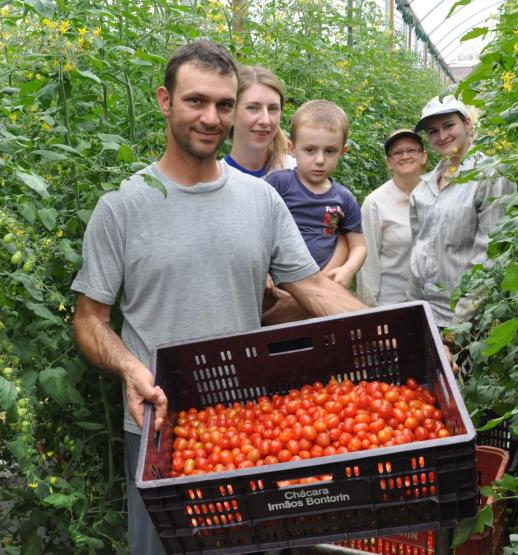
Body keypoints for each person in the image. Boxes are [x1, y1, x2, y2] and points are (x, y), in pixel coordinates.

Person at [70, 41, 367, 555]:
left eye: (224, 105)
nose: (211, 118)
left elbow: (315, 289)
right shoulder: (123, 207)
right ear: (165, 101)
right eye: (196, 101)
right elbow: (89, 318)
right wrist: (129, 368)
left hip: (245, 424)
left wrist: (410, 328)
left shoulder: (261, 200)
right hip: (159, 425)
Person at [226, 66, 351, 293]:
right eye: (253, 108)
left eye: (273, 109)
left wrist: (316, 288)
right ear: (230, 112)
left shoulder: (300, 167)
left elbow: (336, 233)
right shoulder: (219, 179)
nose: (265, 120)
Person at [408, 95, 516, 328]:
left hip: (465, 321)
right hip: (424, 312)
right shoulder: (424, 187)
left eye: (449, 125)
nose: (441, 136)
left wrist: (460, 324)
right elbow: (419, 248)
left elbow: (490, 255)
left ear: (467, 123)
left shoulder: (489, 175)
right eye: (433, 131)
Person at [262, 100, 367, 324]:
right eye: (310, 150)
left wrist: (348, 270)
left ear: (342, 152)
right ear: (292, 148)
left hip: (324, 289)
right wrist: (262, 270)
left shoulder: (344, 198)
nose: (320, 160)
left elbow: (359, 246)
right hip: (279, 287)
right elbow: (258, 231)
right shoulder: (279, 183)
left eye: (330, 151)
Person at [356, 129, 428, 306]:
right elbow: (368, 262)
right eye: (397, 152)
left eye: (411, 150)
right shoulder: (375, 203)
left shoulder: (437, 194)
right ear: (389, 161)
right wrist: (369, 309)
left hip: (436, 301)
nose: (405, 156)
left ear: (423, 156)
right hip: (393, 303)